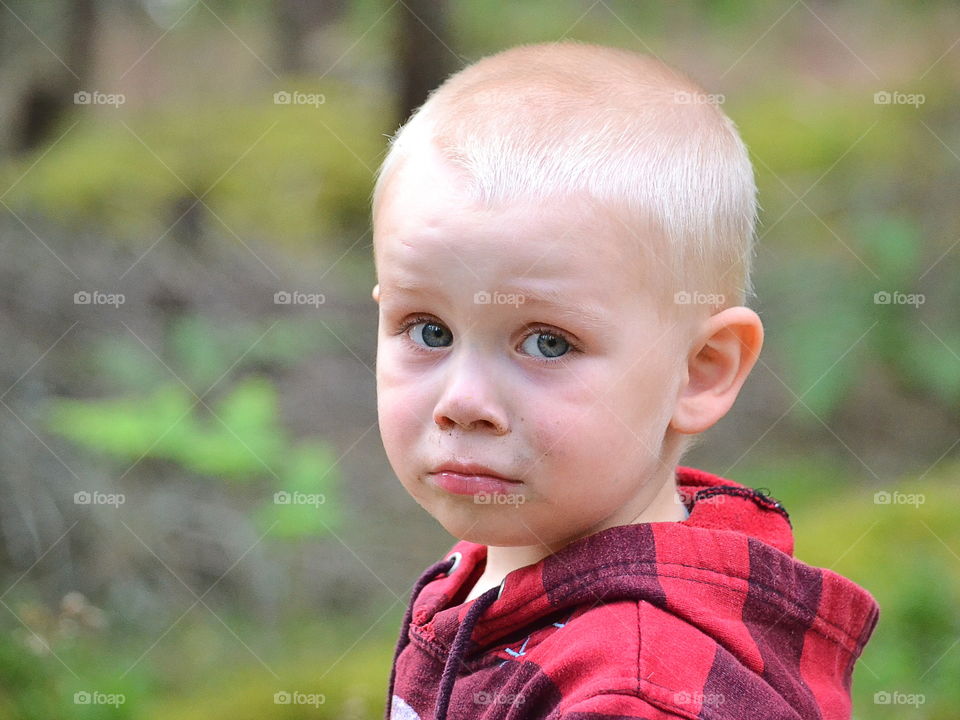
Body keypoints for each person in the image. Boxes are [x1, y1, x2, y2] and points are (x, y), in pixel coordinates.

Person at [370, 41, 879, 720]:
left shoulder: (634, 688)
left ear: (701, 371)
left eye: (548, 342)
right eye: (429, 330)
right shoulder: (497, 564)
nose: (463, 403)